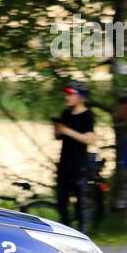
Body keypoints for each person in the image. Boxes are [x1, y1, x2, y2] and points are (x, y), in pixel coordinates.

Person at [54, 82, 95, 231]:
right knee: (61, 201)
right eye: (67, 94)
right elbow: (59, 136)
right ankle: (64, 230)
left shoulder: (87, 116)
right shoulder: (65, 114)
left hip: (79, 165)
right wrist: (58, 130)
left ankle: (83, 233)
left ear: (80, 97)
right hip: (64, 163)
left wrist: (67, 131)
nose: (68, 97)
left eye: (71, 94)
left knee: (81, 204)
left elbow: (89, 139)